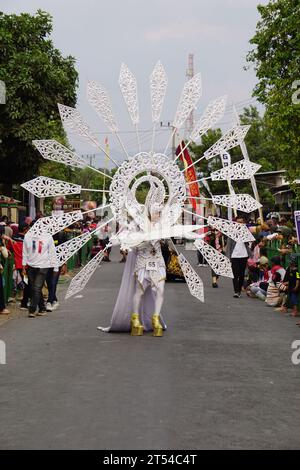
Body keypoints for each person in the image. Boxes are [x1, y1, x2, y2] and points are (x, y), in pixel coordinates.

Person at [22, 230, 58, 318]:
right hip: (31, 265)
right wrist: (24, 264)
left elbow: (52, 252)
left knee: (36, 287)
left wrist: (55, 267)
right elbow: (25, 251)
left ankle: (32, 309)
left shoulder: (48, 236)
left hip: (43, 266)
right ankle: (42, 308)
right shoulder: (28, 236)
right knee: (34, 288)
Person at [227, 217, 252, 298]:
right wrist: (228, 257)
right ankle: (236, 291)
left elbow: (250, 242)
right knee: (235, 274)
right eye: (238, 222)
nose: (240, 224)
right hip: (234, 256)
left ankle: (239, 290)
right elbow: (229, 246)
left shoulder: (246, 232)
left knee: (242, 275)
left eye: (241, 222)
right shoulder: (231, 232)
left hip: (244, 255)